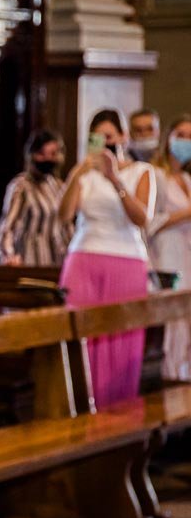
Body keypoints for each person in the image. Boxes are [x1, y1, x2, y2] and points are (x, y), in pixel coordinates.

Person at [59, 108, 155, 407]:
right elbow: (64, 215)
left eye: (109, 137)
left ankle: (117, 410)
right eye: (97, 138)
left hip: (125, 258)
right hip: (83, 256)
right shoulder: (84, 174)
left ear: (123, 137)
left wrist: (115, 178)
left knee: (119, 338)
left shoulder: (141, 172)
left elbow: (142, 218)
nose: (104, 143)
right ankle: (78, 407)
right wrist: (78, 172)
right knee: (80, 337)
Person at [148, 114, 191, 379]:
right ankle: (169, 375)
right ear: (168, 139)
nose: (187, 141)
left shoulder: (187, 179)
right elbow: (148, 222)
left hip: (187, 253)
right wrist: (185, 214)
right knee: (172, 321)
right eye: (182, 135)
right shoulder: (156, 176)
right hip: (166, 252)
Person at [0, 129, 73, 266]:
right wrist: (8, 254)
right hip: (29, 260)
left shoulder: (58, 186)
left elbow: (66, 225)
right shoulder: (21, 187)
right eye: (42, 154)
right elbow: (8, 227)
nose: (48, 159)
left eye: (54, 154)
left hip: (56, 260)